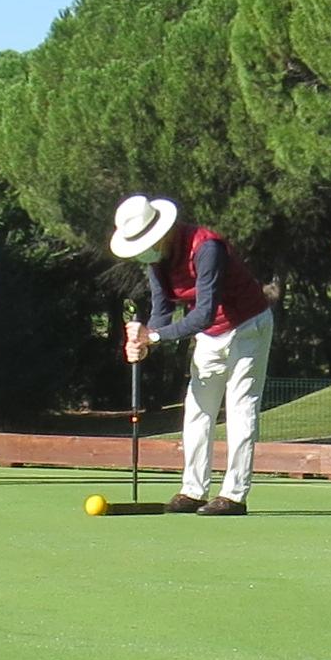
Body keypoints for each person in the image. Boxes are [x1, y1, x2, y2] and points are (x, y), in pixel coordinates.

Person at [112, 192, 272, 515]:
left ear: (165, 232)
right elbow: (162, 310)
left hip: (247, 325)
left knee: (240, 408)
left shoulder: (206, 248)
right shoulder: (156, 260)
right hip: (210, 335)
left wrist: (154, 337)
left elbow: (204, 312)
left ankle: (234, 495)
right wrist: (142, 343)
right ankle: (193, 489)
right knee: (197, 408)